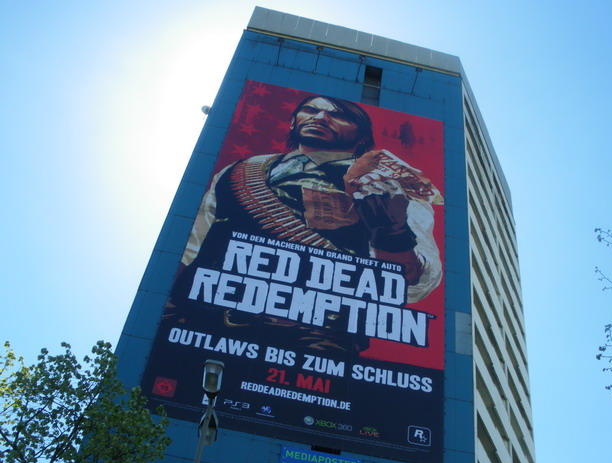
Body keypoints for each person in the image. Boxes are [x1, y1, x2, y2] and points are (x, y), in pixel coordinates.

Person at [169, 95, 442, 353]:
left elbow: (412, 284)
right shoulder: (243, 169)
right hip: (195, 316)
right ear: (293, 121)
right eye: (311, 110)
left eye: (338, 115)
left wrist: (392, 233)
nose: (320, 118)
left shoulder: (389, 186)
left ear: (362, 136)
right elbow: (195, 244)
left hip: (311, 335)